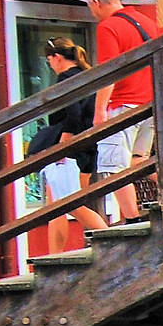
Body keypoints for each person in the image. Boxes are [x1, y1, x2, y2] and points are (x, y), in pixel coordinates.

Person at [28, 37, 110, 255]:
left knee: (67, 205)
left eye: (49, 60)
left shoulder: (65, 78)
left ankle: (113, 241)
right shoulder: (87, 75)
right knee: (58, 205)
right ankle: (55, 256)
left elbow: (72, 114)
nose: (50, 65)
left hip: (70, 149)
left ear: (57, 57)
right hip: (88, 147)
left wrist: (62, 147)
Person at [87, 0, 160, 221]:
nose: (92, 12)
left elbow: (110, 72)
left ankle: (132, 220)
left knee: (114, 168)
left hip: (122, 104)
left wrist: (100, 111)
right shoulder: (147, 23)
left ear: (96, 2)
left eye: (90, 6)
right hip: (149, 104)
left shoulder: (108, 27)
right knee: (138, 160)